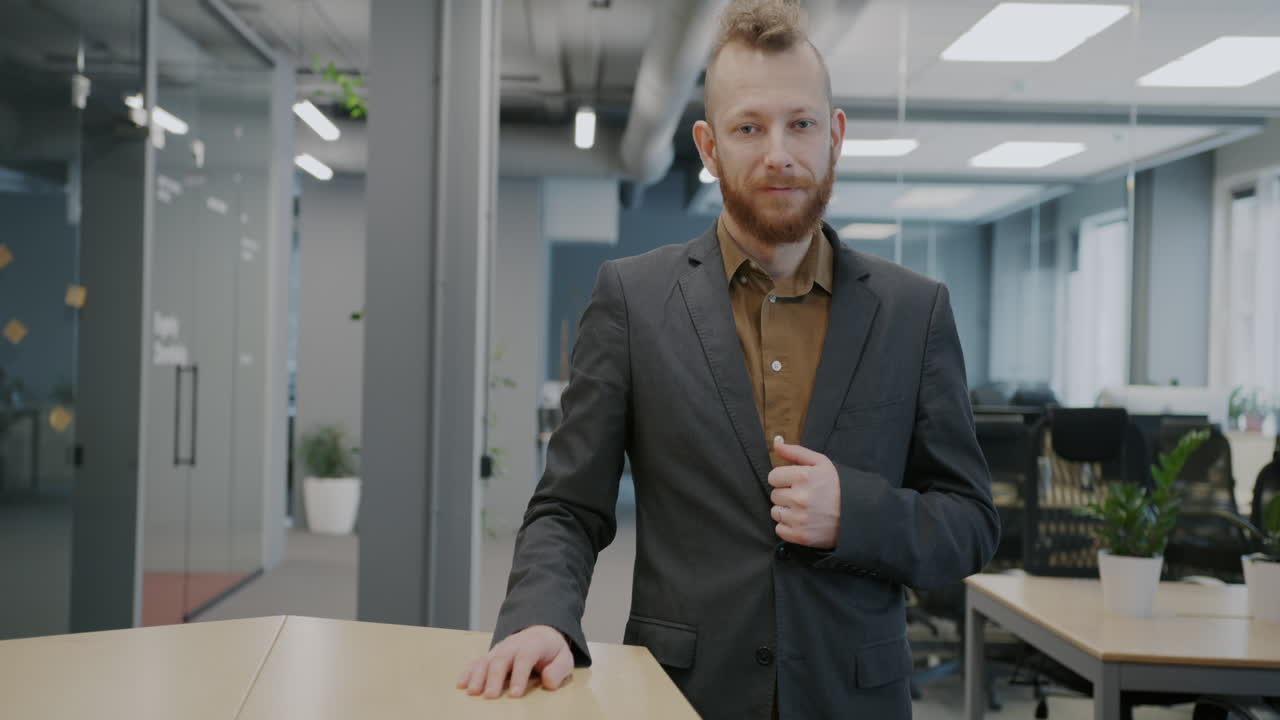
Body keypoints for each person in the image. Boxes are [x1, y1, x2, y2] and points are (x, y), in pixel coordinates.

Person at [457, 0, 999, 717]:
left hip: (853, 699)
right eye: (749, 127)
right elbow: (568, 505)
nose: (779, 153)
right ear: (709, 147)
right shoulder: (633, 300)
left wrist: (856, 514)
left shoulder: (913, 311)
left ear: (835, 135)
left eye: (801, 124)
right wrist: (541, 618)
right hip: (684, 694)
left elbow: (970, 522)